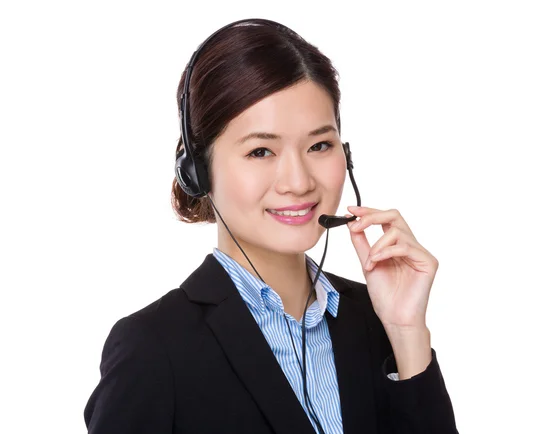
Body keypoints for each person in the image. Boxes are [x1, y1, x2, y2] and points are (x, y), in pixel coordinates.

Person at [84, 18, 459, 434]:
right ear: (200, 172)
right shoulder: (154, 347)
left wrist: (407, 333)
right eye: (261, 151)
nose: (298, 181)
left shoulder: (375, 320)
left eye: (320, 145)